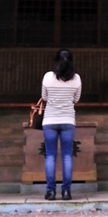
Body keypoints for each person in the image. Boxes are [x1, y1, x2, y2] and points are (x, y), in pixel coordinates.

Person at [41, 49, 82, 200]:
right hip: (68, 120)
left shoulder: (47, 77)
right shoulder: (76, 78)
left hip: (50, 121)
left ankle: (50, 191)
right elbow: (76, 99)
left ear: (55, 60)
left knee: (50, 156)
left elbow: (44, 97)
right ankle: (66, 191)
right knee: (66, 156)